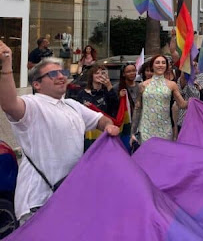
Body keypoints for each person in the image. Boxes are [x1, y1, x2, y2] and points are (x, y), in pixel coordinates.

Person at [0, 42, 119, 225]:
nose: (61, 77)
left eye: (63, 73)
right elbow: (9, 103)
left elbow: (100, 120)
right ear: (37, 84)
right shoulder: (32, 104)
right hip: (37, 203)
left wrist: (109, 127)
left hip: (67, 200)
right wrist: (6, 67)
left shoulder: (72, 105)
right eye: (53, 74)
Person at [131, 55, 188, 145]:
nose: (160, 65)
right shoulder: (143, 85)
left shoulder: (172, 85)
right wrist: (132, 133)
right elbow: (137, 108)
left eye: (163, 63)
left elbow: (182, 104)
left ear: (166, 66)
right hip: (146, 129)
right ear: (152, 66)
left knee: (164, 156)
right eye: (157, 63)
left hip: (165, 128)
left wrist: (194, 101)